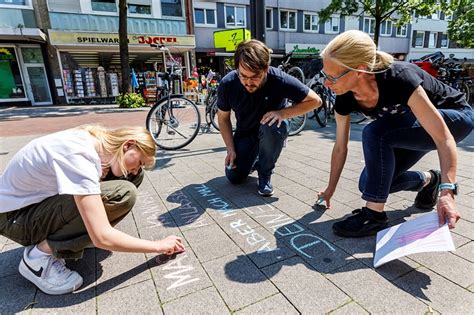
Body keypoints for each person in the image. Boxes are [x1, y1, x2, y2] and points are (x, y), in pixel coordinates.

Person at [316, 30, 473, 238]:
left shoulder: (400, 78)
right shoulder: (344, 97)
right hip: (412, 128)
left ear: (359, 70)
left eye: (332, 77)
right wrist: (330, 190)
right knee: (370, 184)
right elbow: (340, 147)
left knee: (375, 132)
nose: (327, 83)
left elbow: (443, 138)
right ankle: (428, 180)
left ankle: (374, 216)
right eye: (325, 75)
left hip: (456, 119)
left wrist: (448, 192)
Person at [0, 125, 185, 295]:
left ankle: (70, 236)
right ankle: (38, 258)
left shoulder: (93, 142)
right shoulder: (81, 156)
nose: (137, 169)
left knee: (131, 181)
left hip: (29, 206)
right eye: (140, 162)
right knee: (123, 193)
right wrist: (158, 246)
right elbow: (102, 237)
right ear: (128, 145)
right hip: (15, 219)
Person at [217, 39, 321, 196]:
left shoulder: (278, 79)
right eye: (243, 76)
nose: (248, 82)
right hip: (245, 133)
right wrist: (230, 148)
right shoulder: (228, 84)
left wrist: (282, 113)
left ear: (266, 69)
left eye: (255, 77)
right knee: (234, 177)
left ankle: (265, 173)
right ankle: (255, 159)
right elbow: (223, 118)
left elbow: (315, 101)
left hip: (271, 130)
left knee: (275, 125)